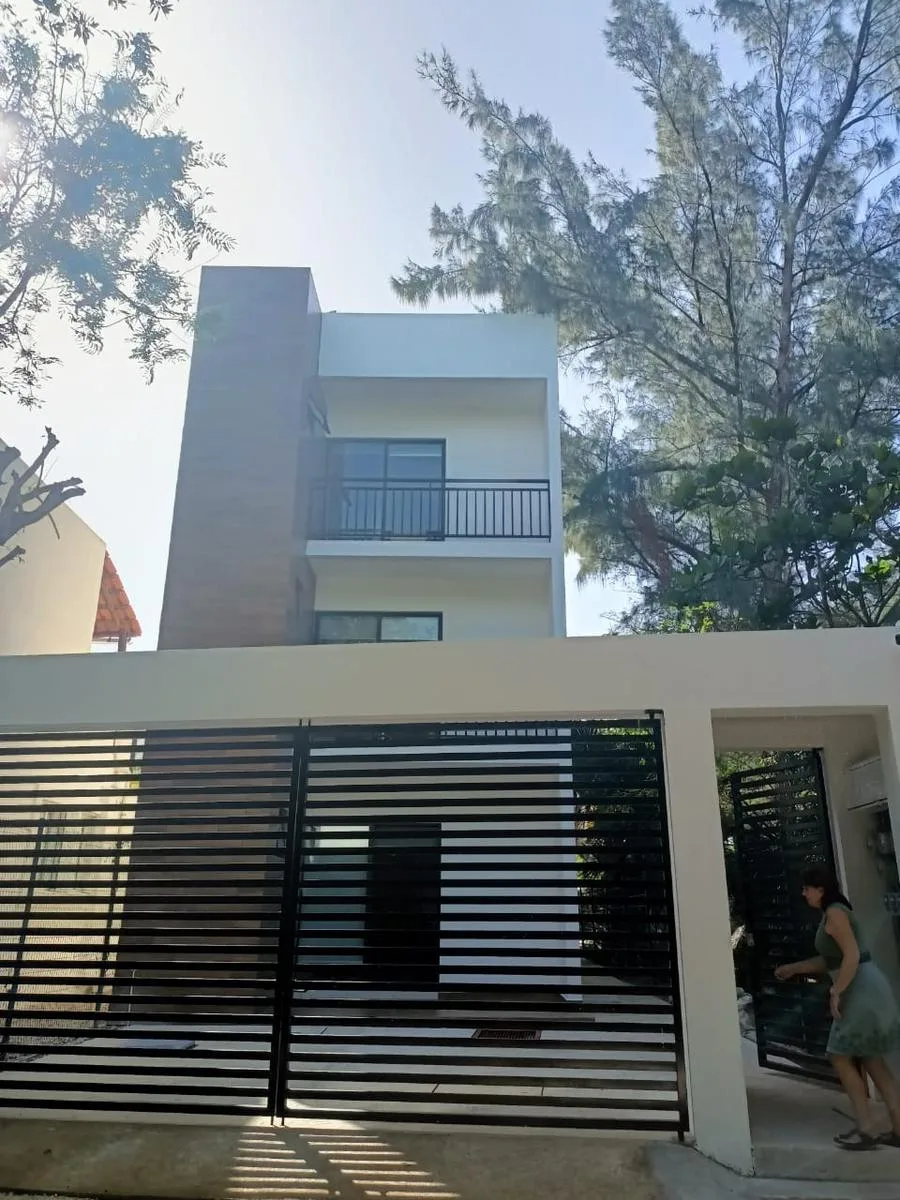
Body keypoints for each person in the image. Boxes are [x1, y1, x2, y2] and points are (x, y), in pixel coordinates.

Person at [774, 865, 900, 1151]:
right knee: (872, 1060)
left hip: (861, 989)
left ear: (821, 890)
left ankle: (866, 1129)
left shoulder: (835, 913)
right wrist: (794, 968)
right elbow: (830, 959)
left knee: (840, 1055)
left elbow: (851, 956)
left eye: (807, 887)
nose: (803, 892)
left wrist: (836, 991)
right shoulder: (834, 914)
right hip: (866, 986)